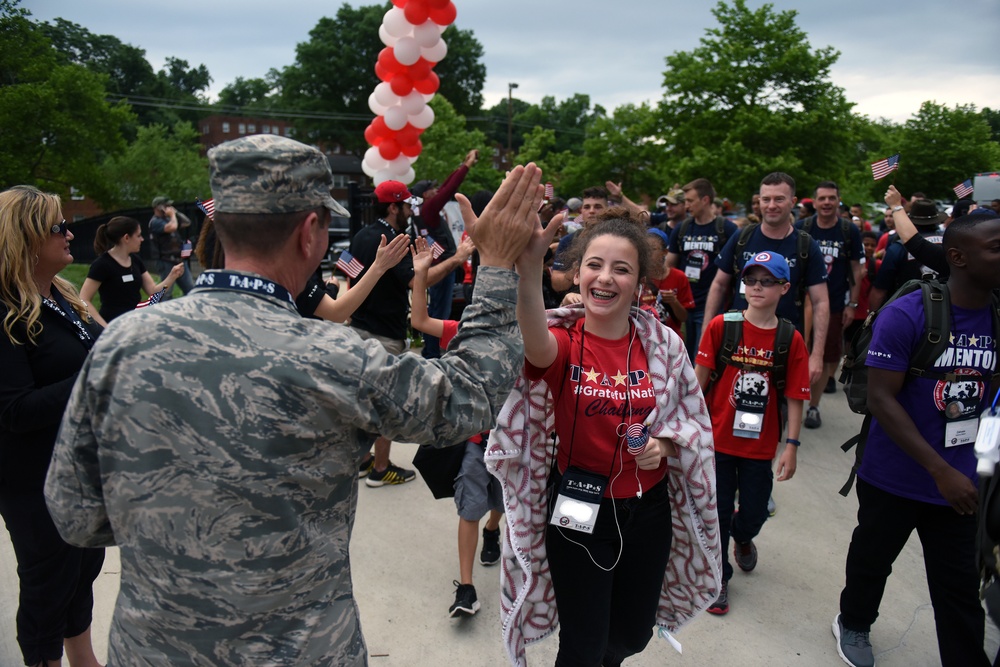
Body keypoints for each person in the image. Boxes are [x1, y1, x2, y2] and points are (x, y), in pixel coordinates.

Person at [43, 136, 545, 666]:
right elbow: (469, 396)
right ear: (310, 232)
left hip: (152, 650)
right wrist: (497, 268)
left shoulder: (121, 342)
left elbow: (76, 515)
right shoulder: (334, 357)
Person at [487, 209, 721, 667]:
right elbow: (534, 341)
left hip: (649, 513)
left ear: (641, 283)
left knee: (632, 634)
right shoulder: (565, 341)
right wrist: (530, 268)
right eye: (594, 264)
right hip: (579, 510)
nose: (605, 277)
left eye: (621, 268)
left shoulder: (665, 344)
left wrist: (665, 446)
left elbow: (692, 422)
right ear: (578, 273)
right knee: (583, 644)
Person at [832, 213, 1000, 667]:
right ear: (958, 257)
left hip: (961, 486)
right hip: (894, 476)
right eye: (996, 247)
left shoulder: (997, 316)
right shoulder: (910, 312)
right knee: (872, 560)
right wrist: (939, 469)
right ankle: (854, 622)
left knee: (959, 589)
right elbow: (883, 400)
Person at [0, 186, 105, 667]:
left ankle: (84, 661)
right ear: (24, 237)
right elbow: (15, 411)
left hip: (82, 470)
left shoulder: (60, 297)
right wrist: (96, 375)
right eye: (57, 226)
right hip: (34, 482)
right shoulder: (4, 313)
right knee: (47, 586)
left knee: (82, 571)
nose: (69, 233)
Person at [695, 251, 809, 615]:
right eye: (751, 281)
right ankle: (719, 579)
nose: (757, 288)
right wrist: (687, 428)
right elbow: (698, 382)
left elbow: (794, 396)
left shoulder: (790, 338)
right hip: (718, 440)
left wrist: (791, 445)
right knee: (718, 510)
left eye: (767, 281)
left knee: (755, 512)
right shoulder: (721, 327)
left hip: (760, 446)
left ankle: (743, 537)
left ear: (784, 288)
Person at [349, 179, 472, 487]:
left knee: (362, 400)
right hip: (385, 333)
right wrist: (456, 260)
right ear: (393, 207)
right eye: (406, 205)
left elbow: (346, 273)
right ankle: (380, 468)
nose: (410, 211)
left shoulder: (361, 234)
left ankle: (363, 461)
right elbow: (419, 281)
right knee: (384, 402)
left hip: (359, 327)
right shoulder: (394, 239)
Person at [408, 237, 504, 619]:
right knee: (470, 509)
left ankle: (493, 531)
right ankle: (466, 588)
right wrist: (419, 277)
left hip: (513, 444)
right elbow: (418, 321)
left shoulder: (528, 329)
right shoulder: (463, 330)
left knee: (500, 505)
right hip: (474, 442)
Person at [703, 172, 829, 386]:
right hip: (736, 342)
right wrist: (706, 336)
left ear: (793, 202)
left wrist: (816, 355)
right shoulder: (742, 237)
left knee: (779, 414)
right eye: (766, 199)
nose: (771, 205)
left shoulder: (806, 246)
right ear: (758, 201)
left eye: (779, 199)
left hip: (782, 346)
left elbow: (820, 301)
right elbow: (718, 285)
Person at [798, 181, 864, 430]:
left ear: (838, 201)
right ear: (814, 202)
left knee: (825, 357)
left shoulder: (849, 231)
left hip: (835, 304)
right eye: (822, 198)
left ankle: (813, 407)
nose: (826, 203)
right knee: (795, 352)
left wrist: (853, 304)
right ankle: (786, 403)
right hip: (799, 304)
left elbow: (857, 270)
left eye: (831, 198)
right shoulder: (802, 227)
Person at [410, 149, 479, 358]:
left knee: (438, 311)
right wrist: (466, 167)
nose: (436, 190)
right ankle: (432, 353)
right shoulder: (428, 209)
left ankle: (431, 350)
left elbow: (445, 187)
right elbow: (449, 190)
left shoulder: (425, 209)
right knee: (439, 314)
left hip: (442, 266)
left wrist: (462, 164)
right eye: (432, 189)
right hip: (442, 268)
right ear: (425, 195)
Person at [666, 178, 739, 360]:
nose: (687, 205)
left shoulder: (727, 229)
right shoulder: (682, 229)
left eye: (690, 201)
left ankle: (700, 389)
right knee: (681, 356)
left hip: (711, 305)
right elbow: (669, 266)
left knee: (703, 355)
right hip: (682, 305)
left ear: (705, 200)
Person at [79, 216, 185, 327]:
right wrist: (104, 328)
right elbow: (84, 299)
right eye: (138, 235)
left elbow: (153, 292)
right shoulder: (102, 264)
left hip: (135, 323)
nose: (142, 239)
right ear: (126, 238)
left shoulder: (135, 260)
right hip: (113, 325)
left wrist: (172, 275)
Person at [869, 197, 946, 311]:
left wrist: (871, 319)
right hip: (945, 312)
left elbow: (879, 291)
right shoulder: (950, 244)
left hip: (905, 312)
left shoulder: (897, 248)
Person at [643, 228, 695, 336]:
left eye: (652, 249)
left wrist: (674, 302)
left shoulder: (679, 277)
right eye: (644, 249)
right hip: (642, 337)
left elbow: (684, 317)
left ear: (664, 252)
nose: (647, 253)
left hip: (670, 340)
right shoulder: (637, 277)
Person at [148, 196, 194, 298]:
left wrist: (175, 212)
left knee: (190, 289)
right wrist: (173, 215)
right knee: (166, 293)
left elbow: (187, 222)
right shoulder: (155, 222)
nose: (169, 207)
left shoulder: (170, 218)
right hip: (166, 261)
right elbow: (172, 227)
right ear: (158, 207)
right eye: (166, 205)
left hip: (179, 260)